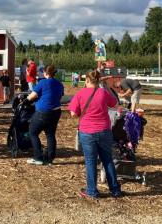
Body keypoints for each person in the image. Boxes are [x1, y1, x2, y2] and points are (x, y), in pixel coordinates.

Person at [69, 70, 122, 198]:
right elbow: (115, 103)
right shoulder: (103, 92)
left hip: (87, 131)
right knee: (108, 160)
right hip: (104, 130)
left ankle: (92, 190)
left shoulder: (80, 93)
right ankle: (115, 189)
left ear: (87, 80)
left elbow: (73, 114)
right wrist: (108, 89)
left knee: (91, 161)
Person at [25, 65, 63, 165]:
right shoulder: (59, 84)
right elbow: (61, 99)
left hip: (44, 111)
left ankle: (38, 157)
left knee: (33, 132)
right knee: (50, 135)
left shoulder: (43, 82)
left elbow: (32, 96)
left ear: (45, 73)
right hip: (56, 111)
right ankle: (49, 159)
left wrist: (25, 101)